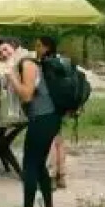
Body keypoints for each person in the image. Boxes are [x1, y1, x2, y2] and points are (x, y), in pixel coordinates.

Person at [0, 38, 62, 207]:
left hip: (44, 117)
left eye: (6, 49)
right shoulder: (21, 64)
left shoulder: (27, 63)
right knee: (38, 164)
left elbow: (26, 95)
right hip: (43, 118)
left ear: (16, 48)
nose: (3, 54)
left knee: (29, 165)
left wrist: (11, 77)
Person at [32, 36, 68, 189]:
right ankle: (62, 175)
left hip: (47, 107)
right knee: (58, 140)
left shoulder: (45, 64)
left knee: (50, 141)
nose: (36, 48)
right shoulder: (61, 61)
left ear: (46, 48)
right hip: (60, 105)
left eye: (39, 45)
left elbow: (39, 87)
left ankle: (51, 176)